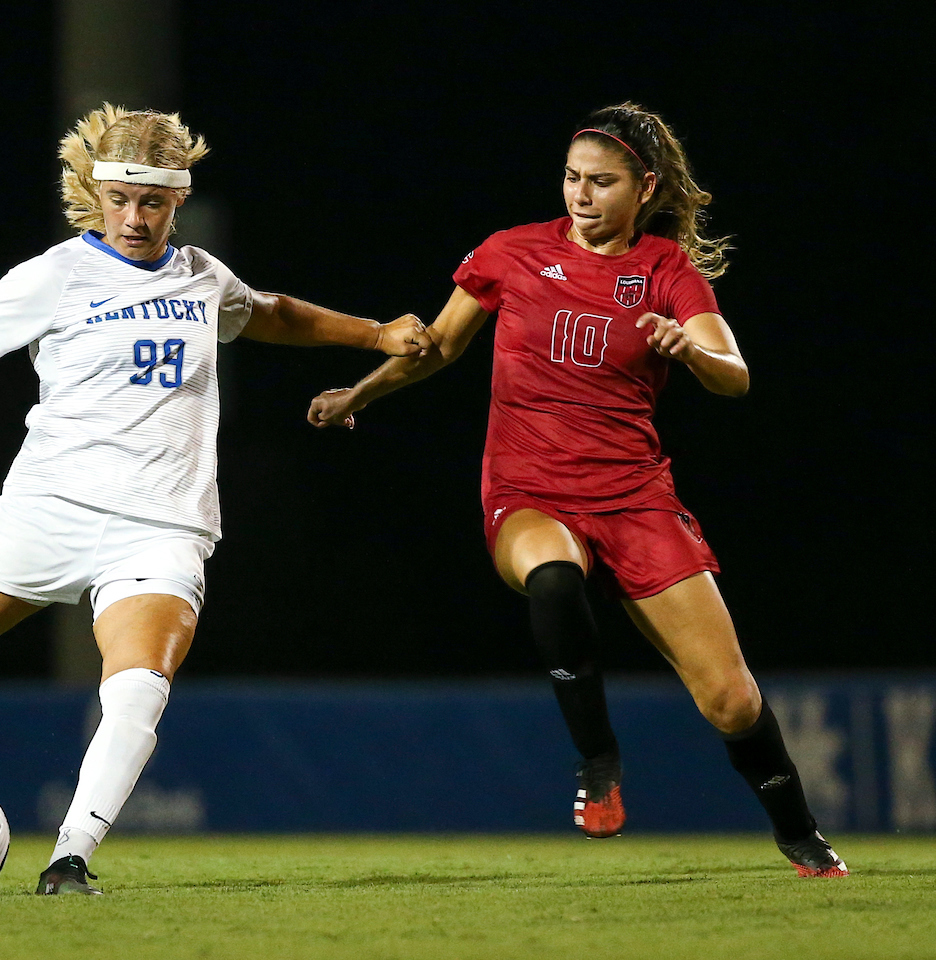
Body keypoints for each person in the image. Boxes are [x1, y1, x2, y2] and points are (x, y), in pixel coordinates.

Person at [0, 103, 431, 895]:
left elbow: (270, 314)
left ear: (176, 202)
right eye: (120, 199)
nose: (134, 217)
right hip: (46, 510)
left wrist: (374, 334)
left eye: (152, 202)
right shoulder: (56, 274)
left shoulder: (200, 277)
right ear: (96, 193)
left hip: (160, 526)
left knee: (135, 690)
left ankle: (70, 857)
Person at [308, 102, 847, 878]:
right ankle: (598, 762)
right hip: (529, 487)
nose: (581, 195)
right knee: (554, 580)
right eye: (571, 178)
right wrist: (358, 394)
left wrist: (689, 352)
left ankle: (801, 837)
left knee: (730, 699)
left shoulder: (666, 271)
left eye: (602, 182)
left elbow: (736, 376)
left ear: (645, 188)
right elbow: (440, 347)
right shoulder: (510, 253)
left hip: (635, 498)